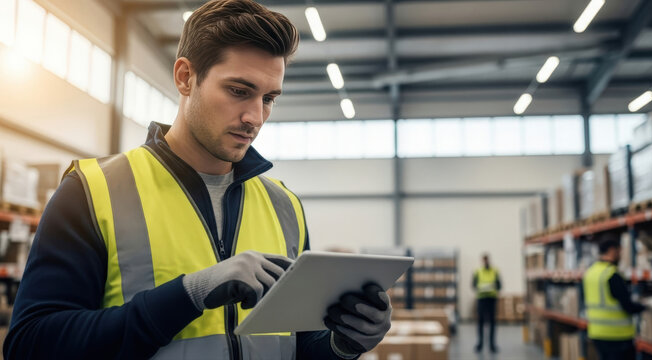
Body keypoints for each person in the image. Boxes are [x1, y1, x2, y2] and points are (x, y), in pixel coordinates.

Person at [3, 1, 392, 359]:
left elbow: (296, 344)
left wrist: (343, 343)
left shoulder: (284, 206)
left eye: (269, 98)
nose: (255, 117)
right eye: (239, 91)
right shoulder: (93, 191)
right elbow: (31, 345)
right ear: (186, 77)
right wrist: (190, 294)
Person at [583, 235, 645, 360]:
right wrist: (645, 306)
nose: (620, 256)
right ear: (612, 250)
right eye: (619, 251)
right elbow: (627, 306)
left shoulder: (590, 272)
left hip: (596, 332)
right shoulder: (612, 275)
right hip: (617, 336)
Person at [472, 253, 501, 353]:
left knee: (492, 322)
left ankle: (492, 345)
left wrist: (492, 286)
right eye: (484, 260)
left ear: (489, 260)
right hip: (481, 299)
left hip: (491, 299)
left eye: (487, 260)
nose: (486, 262)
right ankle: (480, 344)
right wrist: (482, 287)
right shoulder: (477, 271)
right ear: (482, 261)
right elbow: (473, 285)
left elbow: (499, 285)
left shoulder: (495, 270)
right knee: (480, 322)